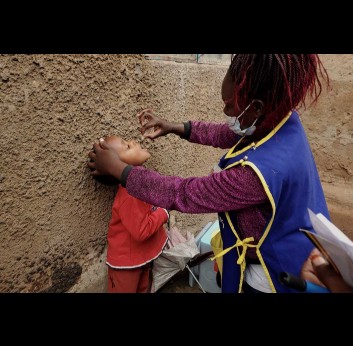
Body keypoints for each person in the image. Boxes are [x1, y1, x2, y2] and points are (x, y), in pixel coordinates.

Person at [88, 54, 330, 293]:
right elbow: (227, 134)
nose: (225, 109)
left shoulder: (254, 176)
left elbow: (184, 193)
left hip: (273, 271)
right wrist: (176, 127)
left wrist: (118, 168)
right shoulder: (282, 120)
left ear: (256, 108)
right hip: (299, 245)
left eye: (229, 104)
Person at [92, 135, 169, 293]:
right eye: (126, 146)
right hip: (126, 265)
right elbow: (141, 231)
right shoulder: (130, 193)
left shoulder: (139, 183)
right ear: (116, 166)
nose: (133, 142)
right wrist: (164, 211)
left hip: (139, 257)